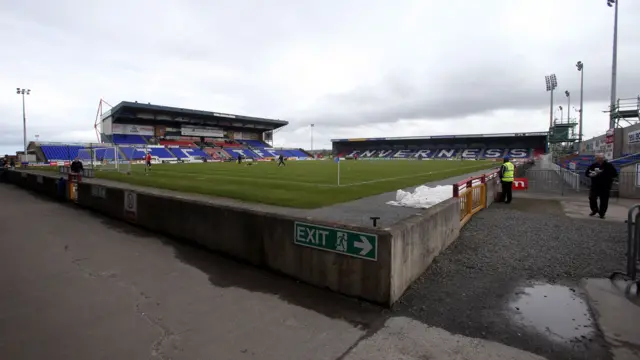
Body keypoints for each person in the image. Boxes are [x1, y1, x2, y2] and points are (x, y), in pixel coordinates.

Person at [585, 153, 618, 219]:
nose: (598, 160)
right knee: (592, 197)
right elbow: (587, 173)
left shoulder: (609, 165)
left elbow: (615, 174)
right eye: (597, 158)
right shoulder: (593, 165)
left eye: (600, 158)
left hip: (605, 186)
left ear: (603, 158)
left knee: (604, 200)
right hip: (595, 185)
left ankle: (602, 213)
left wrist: (605, 174)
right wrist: (591, 174)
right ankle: (595, 209)